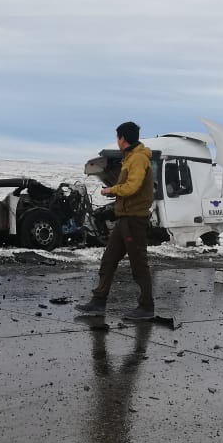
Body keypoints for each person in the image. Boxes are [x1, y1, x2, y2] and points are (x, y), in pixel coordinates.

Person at [75, 121, 155, 320]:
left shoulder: (137, 159)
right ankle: (98, 301)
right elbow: (129, 187)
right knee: (109, 260)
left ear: (122, 139)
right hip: (124, 219)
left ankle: (146, 307)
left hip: (134, 220)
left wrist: (111, 189)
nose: (117, 141)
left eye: (117, 138)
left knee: (139, 264)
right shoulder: (130, 158)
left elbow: (132, 187)